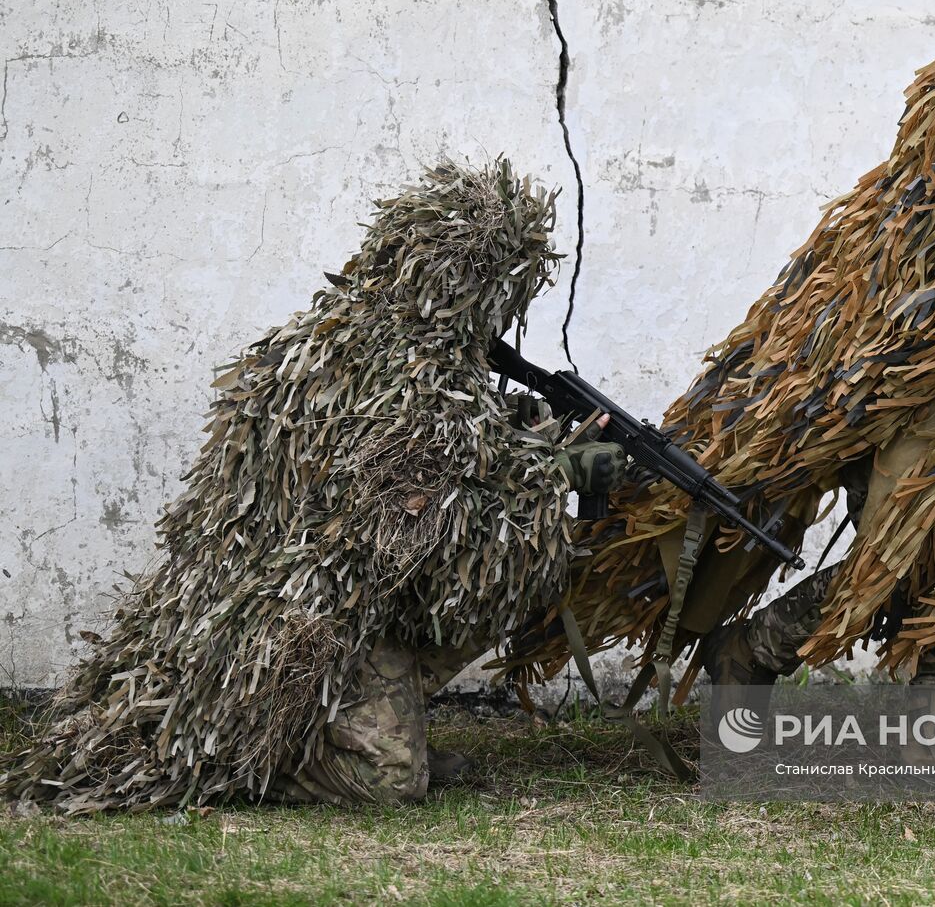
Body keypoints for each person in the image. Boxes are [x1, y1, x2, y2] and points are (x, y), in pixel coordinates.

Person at [501, 11, 935, 699]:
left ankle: (925, 705)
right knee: (901, 560)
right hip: (901, 424)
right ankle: (752, 651)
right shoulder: (914, 213)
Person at [2, 159, 623, 812]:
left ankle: (370, 720)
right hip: (301, 618)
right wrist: (552, 472)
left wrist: (537, 437)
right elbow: (413, 533)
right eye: (497, 290)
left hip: (342, 596)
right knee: (393, 782)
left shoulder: (396, 353)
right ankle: (263, 755)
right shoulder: (386, 370)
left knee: (506, 571)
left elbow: (447, 461)